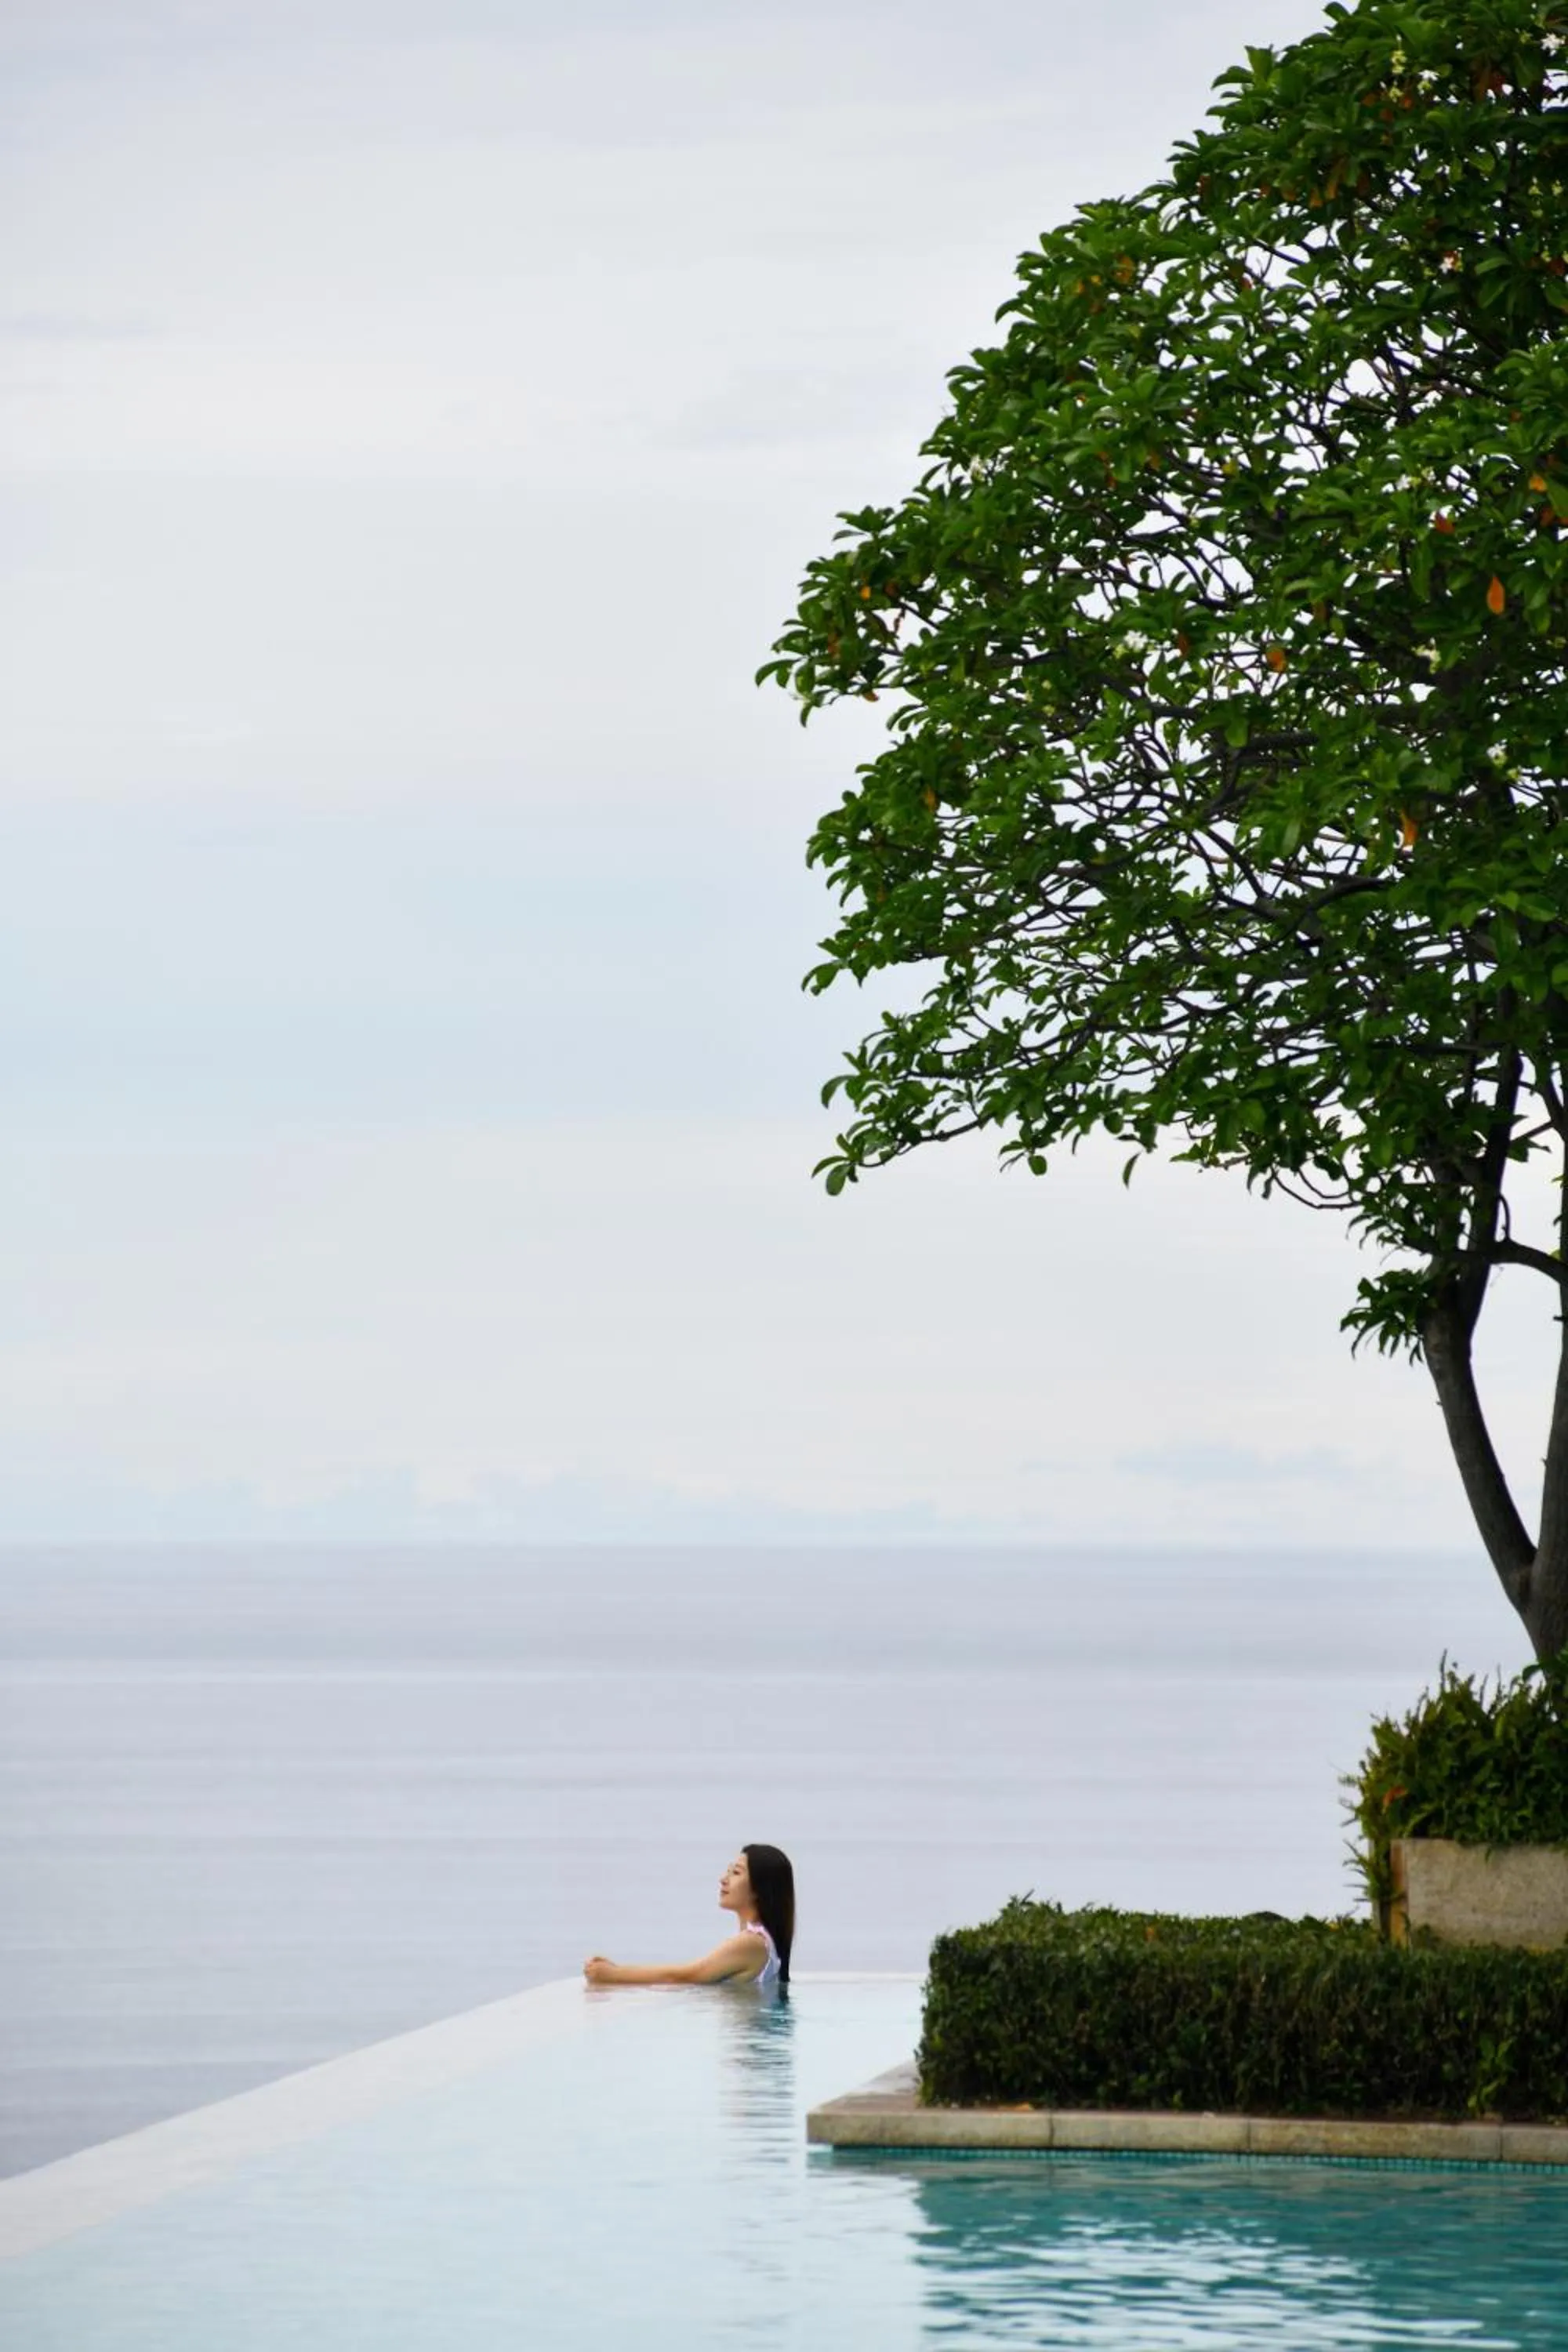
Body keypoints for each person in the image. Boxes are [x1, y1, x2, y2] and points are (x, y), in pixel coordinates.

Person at [583, 1844, 794, 1988]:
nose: (723, 1879)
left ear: (760, 1888)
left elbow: (685, 1976)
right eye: (728, 1871)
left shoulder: (750, 1943)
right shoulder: (762, 1941)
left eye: (736, 1873)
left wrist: (612, 1975)